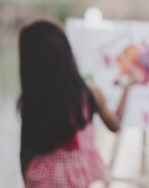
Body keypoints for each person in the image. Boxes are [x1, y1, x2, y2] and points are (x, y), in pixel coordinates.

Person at [18, 19, 140, 188]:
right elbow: (115, 124)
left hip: (40, 180)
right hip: (78, 179)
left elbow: (26, 151)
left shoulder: (31, 100)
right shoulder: (88, 94)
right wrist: (128, 86)